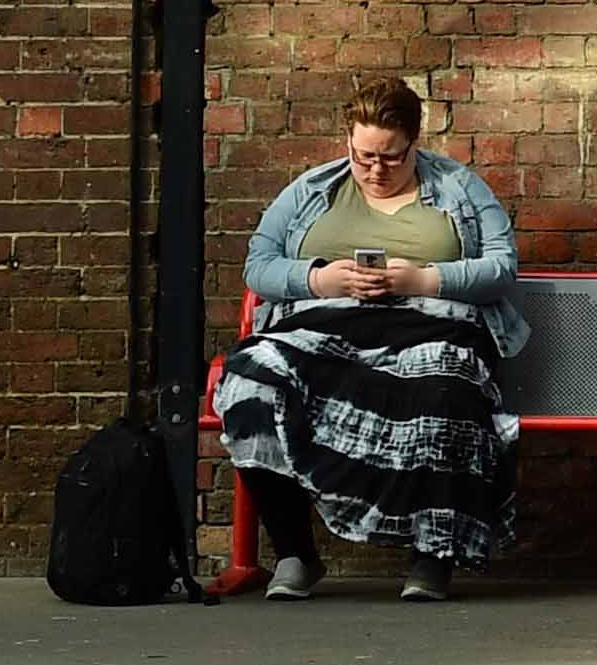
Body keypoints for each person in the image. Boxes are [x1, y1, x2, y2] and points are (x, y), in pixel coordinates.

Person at [216, 77, 526, 599]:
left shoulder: (459, 187)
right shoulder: (312, 190)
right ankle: (295, 553)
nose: (375, 170)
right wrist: (319, 279)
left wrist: (423, 279)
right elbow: (259, 265)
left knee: (445, 391)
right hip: (322, 326)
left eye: (391, 157)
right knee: (253, 382)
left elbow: (502, 266)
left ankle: (433, 556)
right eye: (363, 157)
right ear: (348, 142)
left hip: (432, 324)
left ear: (414, 143)